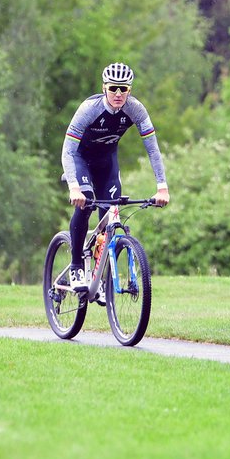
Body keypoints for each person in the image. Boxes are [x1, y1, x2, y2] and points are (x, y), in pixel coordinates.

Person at [61, 62, 170, 291]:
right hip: (82, 161)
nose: (118, 94)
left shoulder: (136, 109)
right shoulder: (89, 109)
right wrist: (74, 187)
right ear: (104, 88)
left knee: (110, 215)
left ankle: (100, 277)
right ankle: (76, 265)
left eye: (123, 89)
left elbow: (153, 150)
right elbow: (68, 151)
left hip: (107, 163)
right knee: (86, 204)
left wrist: (162, 187)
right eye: (113, 88)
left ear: (130, 89)